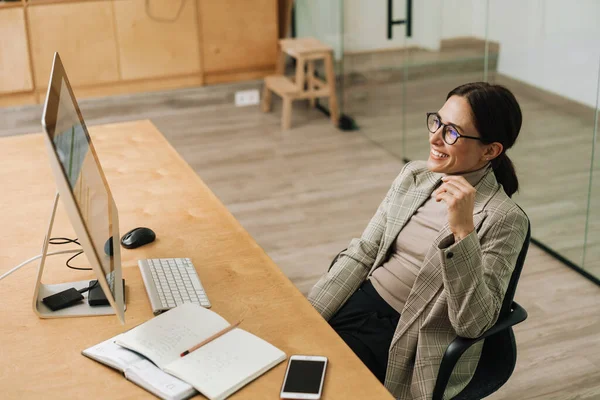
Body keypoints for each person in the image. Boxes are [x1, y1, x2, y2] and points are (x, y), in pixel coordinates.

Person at [308, 82, 529, 400]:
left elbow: (474, 323)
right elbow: (365, 250)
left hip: (411, 330)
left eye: (452, 132)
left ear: (490, 150)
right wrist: (308, 311)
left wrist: (463, 232)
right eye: (437, 122)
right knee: (292, 355)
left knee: (327, 385)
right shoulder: (414, 176)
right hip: (360, 300)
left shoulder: (503, 218)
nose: (435, 138)